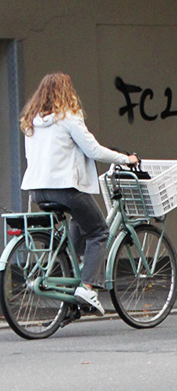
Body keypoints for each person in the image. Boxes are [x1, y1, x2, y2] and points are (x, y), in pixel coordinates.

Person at [19, 72, 138, 315]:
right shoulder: (69, 118)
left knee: (78, 223)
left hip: (38, 190)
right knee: (98, 231)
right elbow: (93, 150)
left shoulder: (31, 121)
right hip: (65, 189)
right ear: (67, 92)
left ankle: (72, 279)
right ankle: (86, 286)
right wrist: (125, 159)